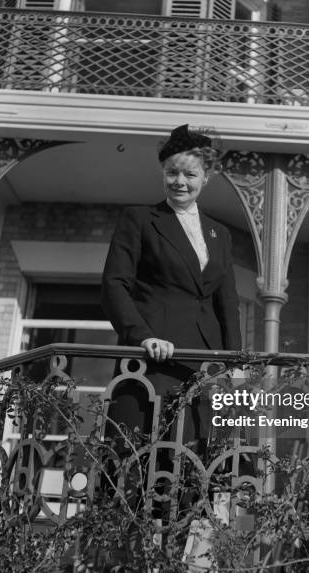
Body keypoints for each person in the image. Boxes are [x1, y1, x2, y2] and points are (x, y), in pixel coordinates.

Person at [101, 124, 242, 445]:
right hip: (154, 359)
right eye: (172, 173)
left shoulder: (220, 234)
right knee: (140, 461)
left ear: (206, 177)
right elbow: (114, 285)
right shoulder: (138, 219)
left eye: (190, 175)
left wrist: (235, 364)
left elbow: (228, 303)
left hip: (205, 366)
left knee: (195, 465)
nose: (180, 182)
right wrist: (142, 336)